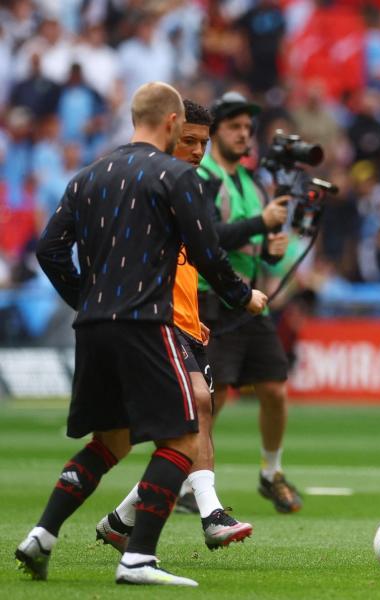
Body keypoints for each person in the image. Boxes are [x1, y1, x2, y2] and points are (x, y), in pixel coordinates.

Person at [16, 82, 267, 587]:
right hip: (146, 324)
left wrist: (87, 300)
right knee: (184, 435)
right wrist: (245, 297)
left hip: (90, 327)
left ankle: (42, 534)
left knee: (109, 441)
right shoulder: (175, 175)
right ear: (173, 122)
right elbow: (207, 253)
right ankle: (138, 559)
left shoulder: (87, 175)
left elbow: (49, 250)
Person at [95, 99, 254, 555]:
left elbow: (202, 254)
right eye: (190, 140)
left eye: (204, 142)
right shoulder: (144, 182)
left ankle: (120, 521)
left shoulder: (187, 185)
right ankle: (212, 513)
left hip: (189, 317)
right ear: (168, 130)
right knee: (199, 407)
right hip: (154, 320)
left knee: (182, 433)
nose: (199, 151)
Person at [196, 91, 302, 514]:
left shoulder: (252, 181)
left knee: (275, 388)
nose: (243, 135)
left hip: (251, 298)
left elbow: (256, 245)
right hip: (212, 298)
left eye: (247, 128)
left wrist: (272, 247)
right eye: (233, 127)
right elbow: (207, 238)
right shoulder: (202, 176)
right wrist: (262, 223)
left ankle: (270, 472)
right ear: (214, 132)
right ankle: (196, 481)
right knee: (214, 395)